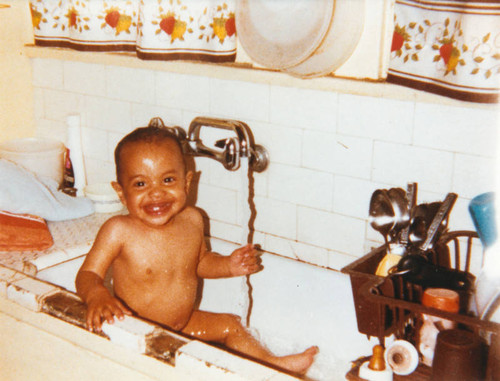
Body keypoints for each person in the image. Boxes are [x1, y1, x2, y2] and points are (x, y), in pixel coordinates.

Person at [75, 125, 318, 375]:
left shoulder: (192, 220)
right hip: (136, 331)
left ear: (187, 182)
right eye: (140, 184)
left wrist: (228, 265)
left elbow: (200, 262)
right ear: (121, 193)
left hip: (183, 323)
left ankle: (271, 366)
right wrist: (97, 296)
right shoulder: (119, 230)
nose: (156, 193)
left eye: (168, 180)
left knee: (230, 324)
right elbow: (87, 275)